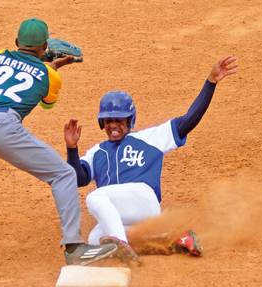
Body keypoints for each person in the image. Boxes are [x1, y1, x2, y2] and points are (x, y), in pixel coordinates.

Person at [0, 18, 117, 265]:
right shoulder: (49, 75)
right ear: (45, 48)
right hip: (2, 129)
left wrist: (40, 61)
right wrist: (52, 68)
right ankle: (73, 247)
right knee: (63, 175)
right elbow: (46, 104)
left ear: (17, 42)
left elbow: (11, 73)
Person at [64, 56, 238, 260]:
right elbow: (78, 178)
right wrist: (72, 148)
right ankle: (174, 241)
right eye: (108, 120)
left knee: (96, 197)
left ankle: (120, 245)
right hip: (126, 214)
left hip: (144, 200)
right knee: (96, 238)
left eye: (119, 120)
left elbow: (189, 120)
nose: (113, 125)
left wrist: (211, 82)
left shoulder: (149, 138)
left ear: (130, 120)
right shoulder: (97, 152)